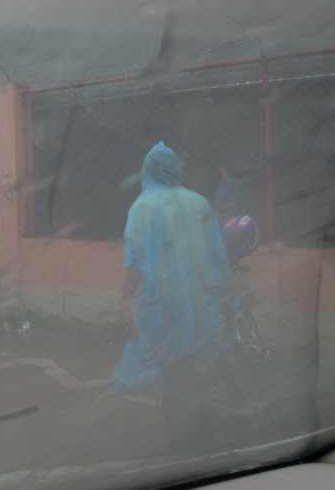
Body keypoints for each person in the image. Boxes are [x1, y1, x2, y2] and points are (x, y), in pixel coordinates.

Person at [112, 142, 231, 448]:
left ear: (147, 171)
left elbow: (134, 265)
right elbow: (217, 253)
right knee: (196, 363)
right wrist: (219, 291)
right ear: (177, 170)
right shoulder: (199, 203)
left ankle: (180, 438)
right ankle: (199, 429)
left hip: (162, 305)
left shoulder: (141, 208)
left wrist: (124, 300)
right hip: (200, 300)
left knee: (170, 368)